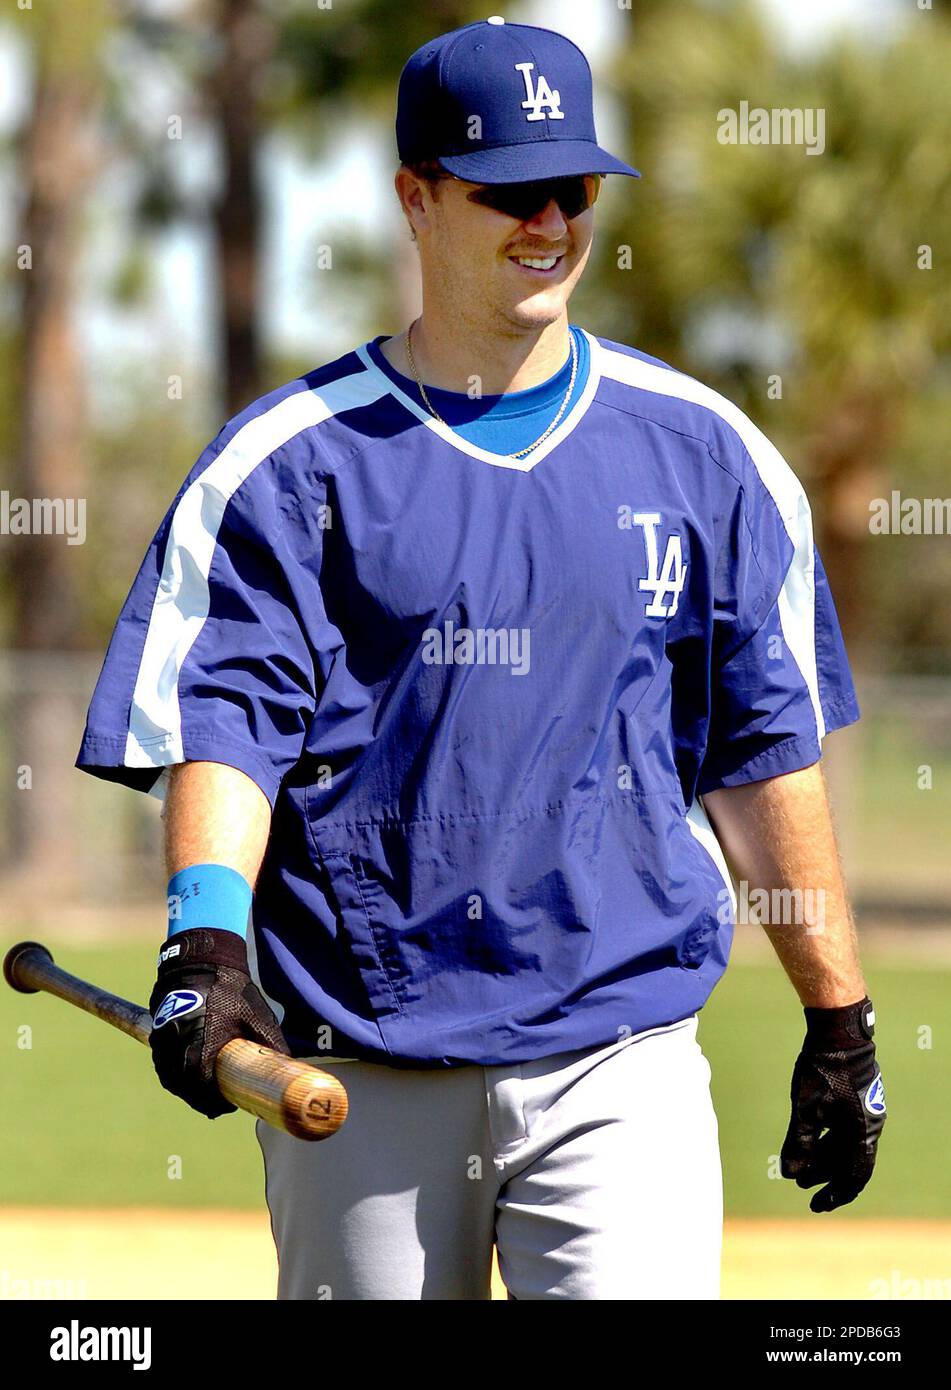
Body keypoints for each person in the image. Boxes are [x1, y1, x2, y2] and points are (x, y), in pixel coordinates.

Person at [76, 17, 885, 1301]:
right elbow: (230, 725)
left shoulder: (709, 456)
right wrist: (205, 948)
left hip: (619, 1057)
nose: (548, 221)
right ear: (414, 199)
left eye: (571, 188)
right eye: (507, 189)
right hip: (363, 1065)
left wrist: (840, 1020)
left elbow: (762, 753)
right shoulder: (285, 465)